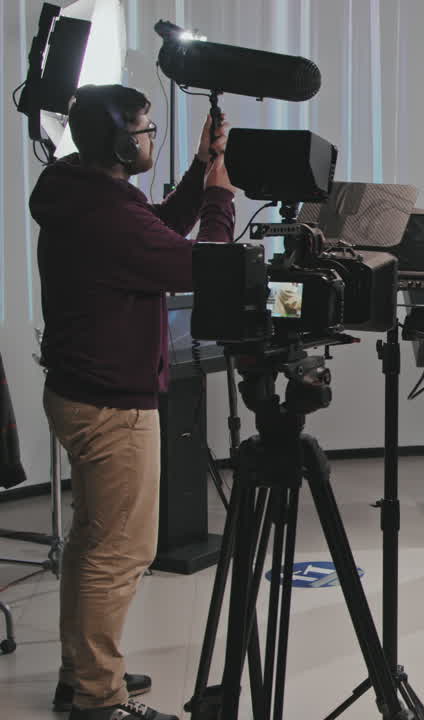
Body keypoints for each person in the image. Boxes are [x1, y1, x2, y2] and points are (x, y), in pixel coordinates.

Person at [30, 83, 237, 720]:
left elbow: (157, 231)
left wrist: (201, 169)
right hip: (113, 407)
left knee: (93, 542)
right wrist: (222, 193)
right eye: (147, 131)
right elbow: (208, 265)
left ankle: (83, 672)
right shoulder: (109, 216)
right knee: (121, 552)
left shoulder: (77, 190)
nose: (152, 139)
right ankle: (99, 698)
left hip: (78, 393)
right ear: (122, 142)